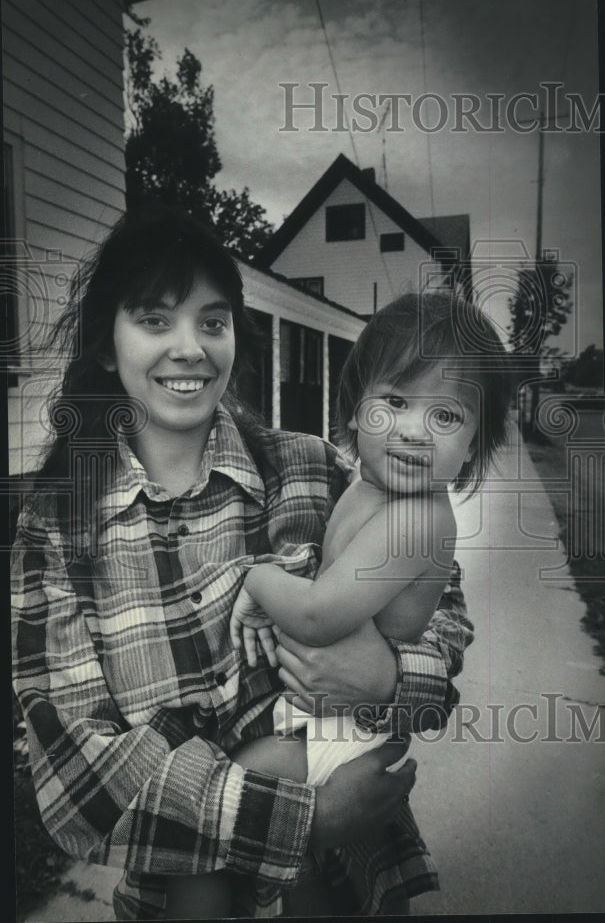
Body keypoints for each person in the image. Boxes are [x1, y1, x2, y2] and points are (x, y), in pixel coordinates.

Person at [11, 207, 474, 921]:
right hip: (182, 888)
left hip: (349, 876)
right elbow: (76, 777)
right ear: (107, 344)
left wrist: (390, 675)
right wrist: (303, 817)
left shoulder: (313, 469)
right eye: (155, 320)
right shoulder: (57, 529)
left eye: (212, 321)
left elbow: (442, 612)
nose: (189, 347)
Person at [168, 291, 511, 916]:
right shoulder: (365, 483)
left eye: (447, 416)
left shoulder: (416, 520)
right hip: (324, 715)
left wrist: (254, 581)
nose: (413, 428)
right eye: (397, 402)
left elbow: (320, 614)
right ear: (354, 411)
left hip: (348, 727)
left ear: (474, 447)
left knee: (219, 817)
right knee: (316, 885)